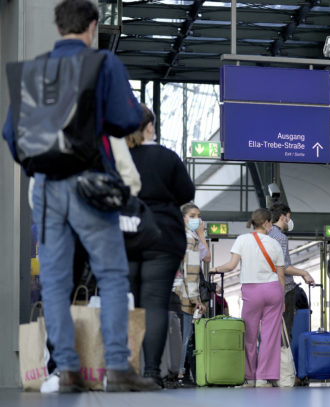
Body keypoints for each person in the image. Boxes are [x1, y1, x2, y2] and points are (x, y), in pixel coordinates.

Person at [2, 0, 158, 392]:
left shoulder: (35, 70)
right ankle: (118, 369)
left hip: (48, 189)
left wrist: (39, 164)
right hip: (90, 184)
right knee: (110, 272)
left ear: (58, 29)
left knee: (54, 280)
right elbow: (126, 120)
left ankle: (68, 370)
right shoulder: (103, 64)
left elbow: (10, 133)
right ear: (93, 25)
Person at [125, 105, 195, 387]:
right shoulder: (166, 158)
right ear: (150, 127)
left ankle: (126, 369)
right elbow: (186, 193)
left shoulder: (118, 158)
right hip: (163, 236)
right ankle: (152, 373)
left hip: (126, 233)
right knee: (154, 303)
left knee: (130, 303)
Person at [211, 208, 286, 388]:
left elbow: (231, 265)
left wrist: (216, 269)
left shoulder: (242, 240)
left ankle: (249, 377)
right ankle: (263, 378)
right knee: (270, 336)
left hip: (252, 291)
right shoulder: (275, 243)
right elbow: (281, 275)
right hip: (273, 290)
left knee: (250, 335)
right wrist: (282, 300)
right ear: (267, 223)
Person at [268, 203, 315, 340]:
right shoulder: (281, 237)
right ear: (283, 217)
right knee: (285, 333)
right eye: (289, 217)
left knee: (271, 333)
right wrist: (304, 272)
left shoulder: (266, 236)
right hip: (285, 290)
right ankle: (283, 361)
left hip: (268, 289)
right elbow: (283, 267)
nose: (290, 221)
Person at [173, 203, 208, 385]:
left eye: (198, 216)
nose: (197, 220)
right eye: (192, 216)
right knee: (183, 338)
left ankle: (168, 372)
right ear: (183, 218)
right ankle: (179, 373)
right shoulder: (191, 239)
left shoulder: (173, 236)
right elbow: (192, 272)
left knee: (171, 335)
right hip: (185, 296)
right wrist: (196, 300)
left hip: (171, 291)